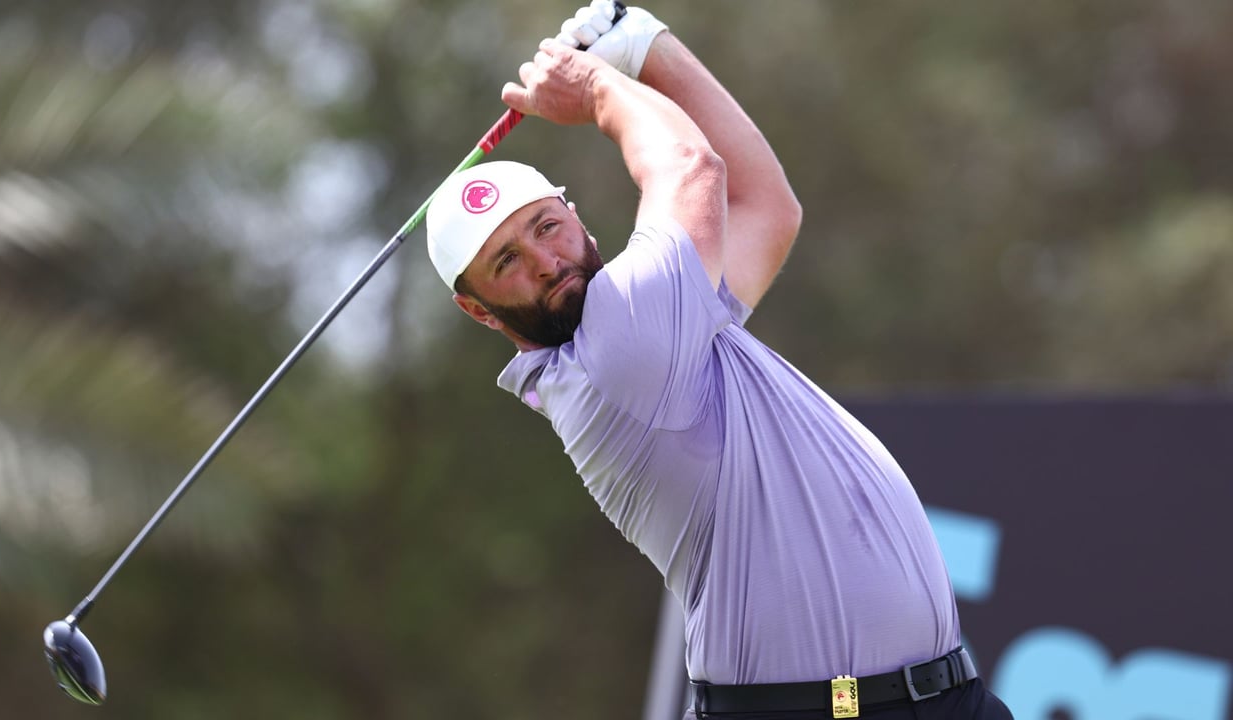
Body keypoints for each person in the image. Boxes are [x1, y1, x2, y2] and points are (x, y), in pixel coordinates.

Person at [425, 3, 1014, 718]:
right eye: (507, 261)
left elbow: (764, 207)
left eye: (546, 225)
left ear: (574, 214)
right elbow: (692, 168)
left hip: (947, 698)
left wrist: (648, 49)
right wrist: (596, 86)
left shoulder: (667, 326)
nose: (547, 261)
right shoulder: (611, 357)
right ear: (479, 309)